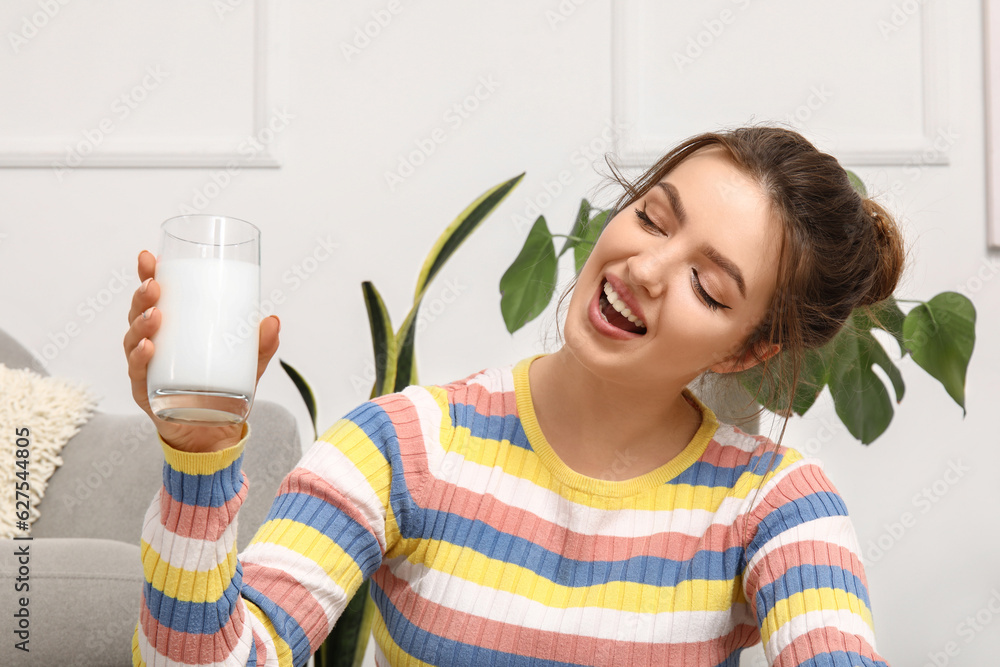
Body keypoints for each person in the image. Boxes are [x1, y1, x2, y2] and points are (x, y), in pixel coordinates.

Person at [125, 126, 899, 666]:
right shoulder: (408, 443)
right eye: (651, 217)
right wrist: (197, 462)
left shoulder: (773, 503)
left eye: (706, 283)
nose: (646, 268)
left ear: (746, 349)